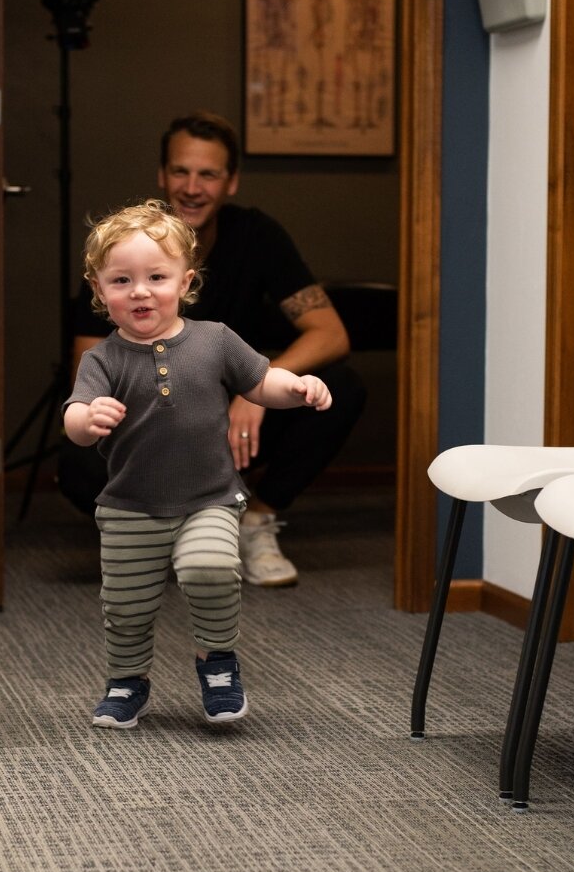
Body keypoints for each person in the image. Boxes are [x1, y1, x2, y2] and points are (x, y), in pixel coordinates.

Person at [60, 110, 366, 587]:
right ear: (162, 176)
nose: (192, 186)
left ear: (231, 182)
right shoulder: (123, 247)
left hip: (237, 411)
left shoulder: (256, 237)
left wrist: (250, 393)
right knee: (75, 451)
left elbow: (331, 333)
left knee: (336, 388)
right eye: (181, 171)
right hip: (145, 420)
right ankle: (156, 531)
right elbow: (87, 358)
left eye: (209, 174)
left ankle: (254, 521)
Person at [63, 199, 332, 729]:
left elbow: (261, 381)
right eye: (121, 280)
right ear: (99, 290)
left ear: (185, 282)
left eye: (156, 277)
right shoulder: (103, 358)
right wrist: (87, 416)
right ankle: (127, 680)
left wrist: (295, 388)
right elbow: (72, 417)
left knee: (210, 569)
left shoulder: (216, 340)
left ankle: (218, 664)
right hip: (129, 507)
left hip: (208, 497)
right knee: (127, 604)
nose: (139, 291)